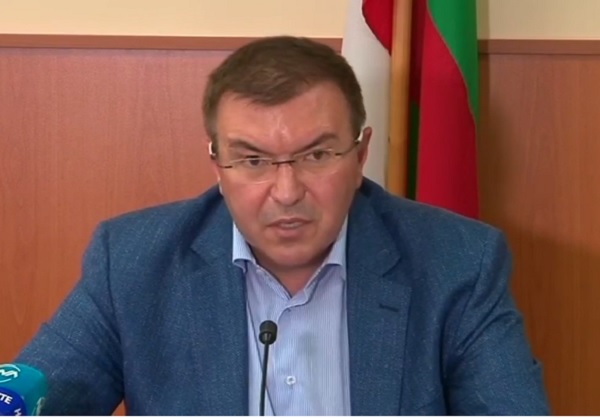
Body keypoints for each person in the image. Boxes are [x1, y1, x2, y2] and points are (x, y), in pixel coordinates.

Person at [15, 35, 550, 415]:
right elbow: (30, 399)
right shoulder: (133, 263)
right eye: (253, 161)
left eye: (317, 155)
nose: (287, 192)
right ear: (217, 164)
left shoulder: (458, 262)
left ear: (360, 154)